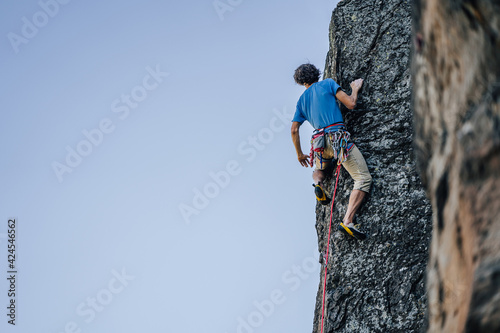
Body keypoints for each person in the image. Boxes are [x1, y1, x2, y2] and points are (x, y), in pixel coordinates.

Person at [291, 64, 372, 240]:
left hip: (319, 143)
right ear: (316, 74)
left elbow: (294, 130)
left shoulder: (301, 101)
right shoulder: (327, 84)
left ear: (302, 82)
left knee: (320, 170)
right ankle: (348, 221)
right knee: (363, 178)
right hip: (337, 138)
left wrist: (300, 154)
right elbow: (350, 104)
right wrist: (354, 89)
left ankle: (318, 184)